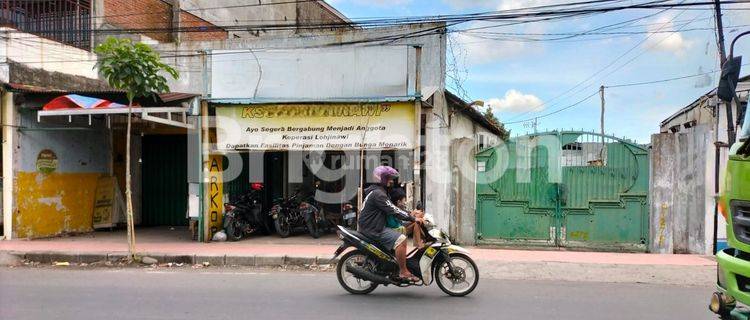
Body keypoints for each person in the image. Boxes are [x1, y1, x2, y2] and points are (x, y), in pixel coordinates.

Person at [358, 166, 423, 282]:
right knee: (401, 239)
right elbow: (393, 210)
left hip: (373, 225)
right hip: (373, 228)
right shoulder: (378, 194)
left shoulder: (378, 192)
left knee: (402, 232)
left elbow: (393, 208)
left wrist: (410, 215)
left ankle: (396, 260)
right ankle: (403, 271)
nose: (391, 181)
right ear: (381, 179)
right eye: (389, 178)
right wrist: (412, 218)